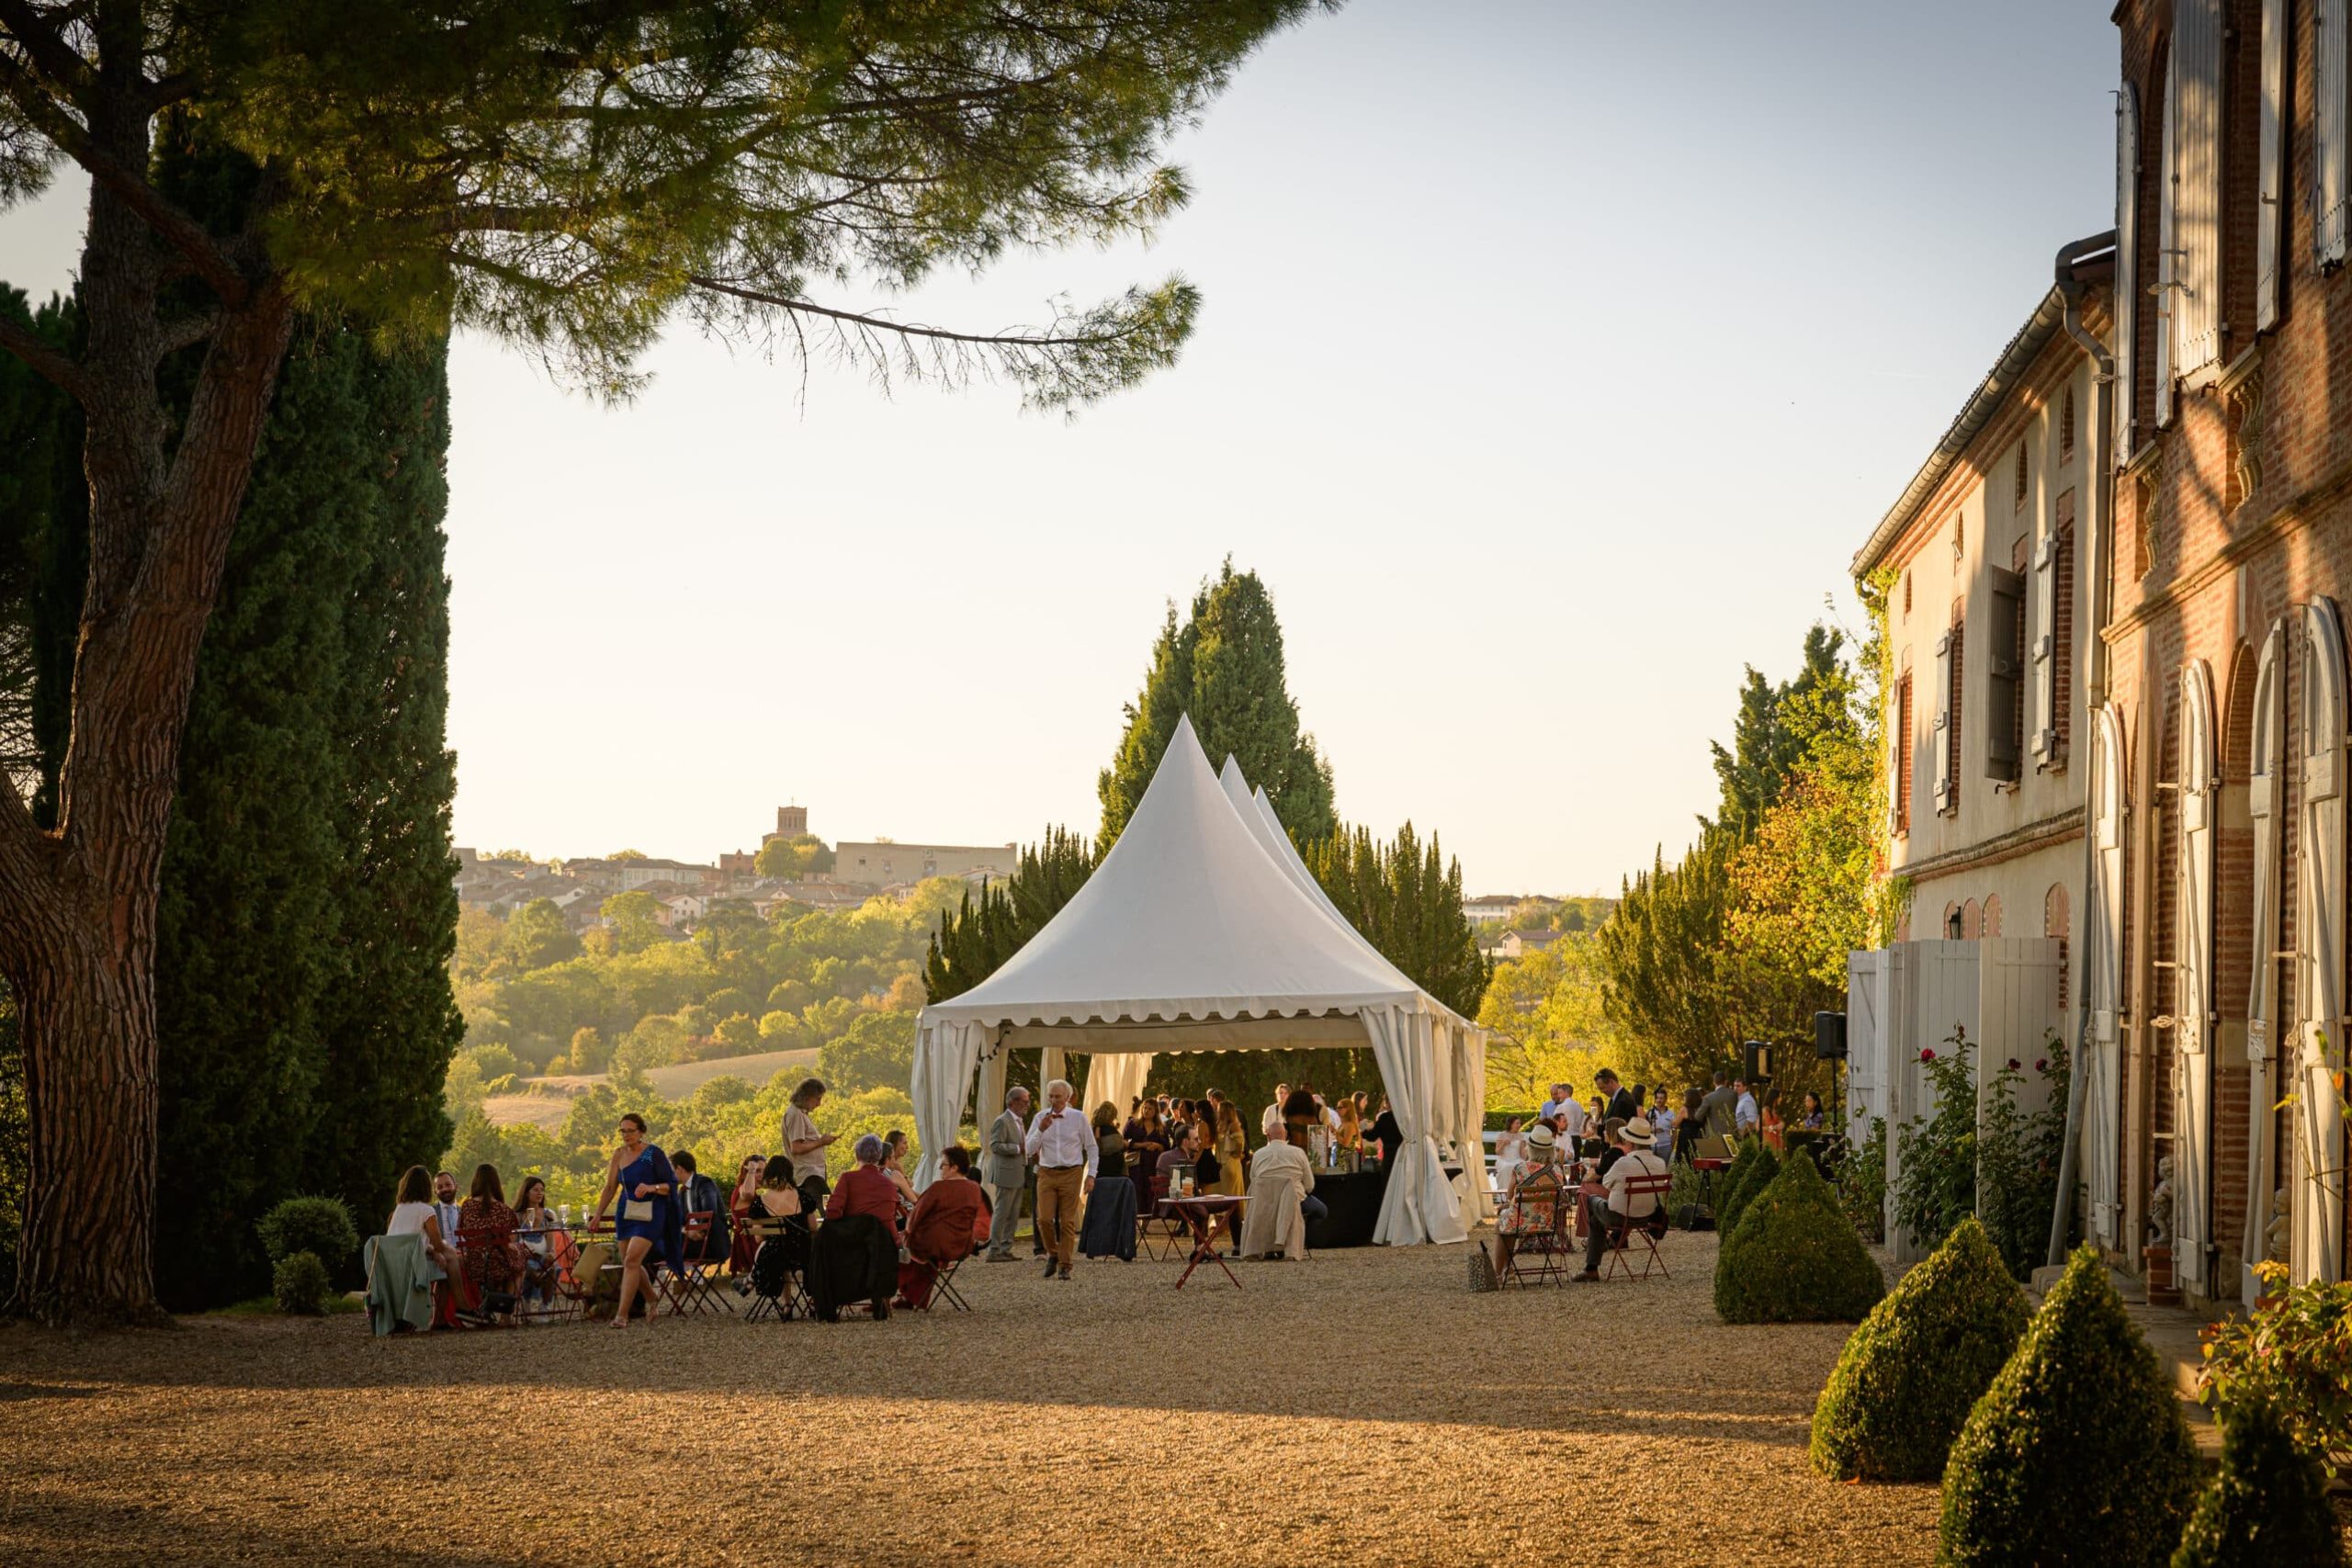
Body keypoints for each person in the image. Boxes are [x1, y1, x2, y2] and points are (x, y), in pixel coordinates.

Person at [595, 1112, 681, 1329]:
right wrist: (597, 1215)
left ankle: (621, 1315)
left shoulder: (653, 1154)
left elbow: (671, 1185)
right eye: (623, 1131)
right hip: (626, 1211)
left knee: (632, 1260)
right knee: (630, 1262)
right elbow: (610, 1187)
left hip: (651, 1212)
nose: (626, 1135)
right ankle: (652, 1298)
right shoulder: (618, 1154)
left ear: (641, 1131)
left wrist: (652, 1187)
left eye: (630, 1131)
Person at [894, 1145, 989, 1309]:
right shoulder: (975, 1189)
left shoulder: (938, 1188)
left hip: (933, 1245)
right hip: (963, 1245)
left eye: (943, 1165)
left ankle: (906, 1296)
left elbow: (916, 1216)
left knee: (900, 1248)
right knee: (924, 1256)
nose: (940, 1169)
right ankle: (913, 1298)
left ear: (954, 1168)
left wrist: (907, 1233)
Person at [1023, 1077, 1099, 1280]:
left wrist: (1091, 1175)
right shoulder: (1040, 1117)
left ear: (1067, 1097)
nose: (1054, 1100)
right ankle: (1054, 1253)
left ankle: (1065, 1265)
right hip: (1046, 1172)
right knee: (1044, 1219)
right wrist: (1041, 1129)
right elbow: (1028, 1149)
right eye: (1051, 1096)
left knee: (1067, 1221)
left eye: (1058, 1096)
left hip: (1071, 1172)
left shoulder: (1078, 1118)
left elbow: (1092, 1148)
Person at [1576, 1118, 1668, 1280]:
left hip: (1620, 1216)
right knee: (1599, 1213)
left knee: (1592, 1202)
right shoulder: (1660, 1163)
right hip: (1648, 1216)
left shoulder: (1622, 1163)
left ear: (1629, 1140)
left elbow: (1606, 1183)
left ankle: (1591, 1267)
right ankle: (1613, 1240)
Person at [1486, 1122, 1566, 1279]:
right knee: (1509, 1221)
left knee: (1502, 1224)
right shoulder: (1557, 1171)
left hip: (1521, 1222)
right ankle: (1508, 1269)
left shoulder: (1520, 1168)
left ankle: (1499, 1272)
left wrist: (1507, 1205)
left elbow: (1510, 1196)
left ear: (1531, 1148)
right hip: (1547, 1222)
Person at [1238, 1122, 1317, 1260]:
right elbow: (1309, 1185)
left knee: (1270, 1210)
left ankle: (1270, 1247)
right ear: (1285, 1135)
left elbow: (1253, 1180)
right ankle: (1293, 1243)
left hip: (1263, 1203)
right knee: (1321, 1211)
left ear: (1268, 1136)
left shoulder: (1258, 1154)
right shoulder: (1298, 1153)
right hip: (1292, 1199)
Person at [388, 1163, 464, 1294]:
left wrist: (434, 1252)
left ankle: (447, 1305)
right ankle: (460, 1301)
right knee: (450, 1256)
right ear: (426, 1187)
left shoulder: (398, 1210)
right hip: (413, 1267)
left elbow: (410, 1242)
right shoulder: (426, 1210)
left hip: (392, 1265)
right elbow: (439, 1245)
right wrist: (438, 1252)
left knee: (444, 1262)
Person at [457, 1164, 522, 1308]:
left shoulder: (467, 1206)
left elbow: (463, 1232)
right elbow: (509, 1239)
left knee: (512, 1259)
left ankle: (492, 1301)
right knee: (520, 1259)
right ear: (496, 1183)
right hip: (497, 1265)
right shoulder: (503, 1209)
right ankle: (507, 1311)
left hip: (473, 1264)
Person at [982, 1085, 1031, 1262]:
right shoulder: (1002, 1121)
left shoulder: (1019, 1121)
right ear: (1012, 1102)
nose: (1028, 1104)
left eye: (1028, 1101)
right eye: (1025, 1101)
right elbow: (995, 1145)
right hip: (1006, 1174)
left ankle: (1006, 1248)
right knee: (1002, 1213)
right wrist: (1018, 1148)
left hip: (1018, 1173)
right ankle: (994, 1250)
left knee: (1013, 1214)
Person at [825, 1134, 902, 1226]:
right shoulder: (889, 1183)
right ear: (879, 1156)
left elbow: (833, 1211)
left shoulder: (848, 1179)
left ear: (857, 1156)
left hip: (856, 1233)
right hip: (884, 1234)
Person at [513, 1176, 564, 1311]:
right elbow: (513, 1241)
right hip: (525, 1256)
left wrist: (550, 1253)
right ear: (526, 1192)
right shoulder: (517, 1215)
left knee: (552, 1267)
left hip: (543, 1256)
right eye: (535, 1190)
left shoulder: (548, 1214)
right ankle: (527, 1301)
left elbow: (550, 1239)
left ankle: (544, 1306)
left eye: (542, 1190)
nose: (540, 1193)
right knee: (528, 1268)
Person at [672, 1149, 730, 1265]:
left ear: (679, 1169)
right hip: (690, 1241)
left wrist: (696, 1230)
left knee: (656, 1244)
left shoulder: (704, 1183)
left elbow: (709, 1211)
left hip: (709, 1244)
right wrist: (686, 1231)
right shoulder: (682, 1192)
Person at [782, 1077, 837, 1200]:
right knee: (829, 1207)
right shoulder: (796, 1115)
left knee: (815, 1207)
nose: (819, 1104)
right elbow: (796, 1148)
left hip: (810, 1174)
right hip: (809, 1175)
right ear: (807, 1097)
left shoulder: (800, 1113)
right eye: (818, 1099)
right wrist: (821, 1141)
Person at [728, 1156, 764, 1275]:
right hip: (752, 1246)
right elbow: (748, 1193)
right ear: (745, 1173)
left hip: (752, 1243)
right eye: (758, 1171)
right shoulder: (743, 1189)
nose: (762, 1175)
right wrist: (751, 1170)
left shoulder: (755, 1191)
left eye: (764, 1171)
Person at [1491, 1114, 1528, 1195]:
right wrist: (1503, 1144)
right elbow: (1497, 1152)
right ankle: (1505, 1193)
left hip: (1517, 1159)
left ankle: (1519, 1193)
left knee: (1521, 1166)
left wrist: (1525, 1148)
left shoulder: (1521, 1136)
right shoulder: (1502, 1135)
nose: (1519, 1125)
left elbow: (1523, 1156)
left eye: (1519, 1123)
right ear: (1511, 1124)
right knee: (1507, 1166)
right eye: (1517, 1123)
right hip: (1504, 1159)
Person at [1673, 1087, 1709, 1164]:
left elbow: (1675, 1124)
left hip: (1685, 1137)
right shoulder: (1701, 1109)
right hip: (1698, 1137)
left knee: (1684, 1159)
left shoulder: (1685, 1109)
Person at [1698, 1070, 1738, 1139]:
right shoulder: (1734, 1095)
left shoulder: (1708, 1098)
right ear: (1726, 1081)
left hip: (1714, 1135)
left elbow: (1698, 1116)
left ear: (1714, 1083)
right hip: (1731, 1134)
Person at [431, 1170, 463, 1244]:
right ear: (435, 1192)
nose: (444, 1189)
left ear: (456, 1186)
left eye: (448, 1185)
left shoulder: (465, 1211)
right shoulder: (430, 1213)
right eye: (440, 1187)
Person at [1370, 1097, 1405, 1163]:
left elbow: (1373, 1136)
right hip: (1402, 1151)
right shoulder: (1404, 1116)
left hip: (1389, 1151)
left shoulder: (1384, 1117)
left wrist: (1363, 1131)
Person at [1647, 1089, 1678, 1161]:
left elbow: (1674, 1132)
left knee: (1664, 1168)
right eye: (1657, 1098)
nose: (1659, 1100)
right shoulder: (1650, 1112)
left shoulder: (1671, 1114)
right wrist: (1653, 1130)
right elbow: (1644, 1129)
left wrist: (1671, 1147)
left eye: (1661, 1098)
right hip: (1651, 1147)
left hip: (1666, 1147)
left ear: (1666, 1099)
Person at [1759, 1089, 1785, 1153]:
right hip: (1769, 1146)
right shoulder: (1765, 1111)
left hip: (1777, 1145)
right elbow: (1758, 1127)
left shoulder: (1774, 1111)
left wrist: (1781, 1124)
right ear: (1774, 1098)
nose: (1781, 1099)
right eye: (1780, 1097)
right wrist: (1774, 1127)